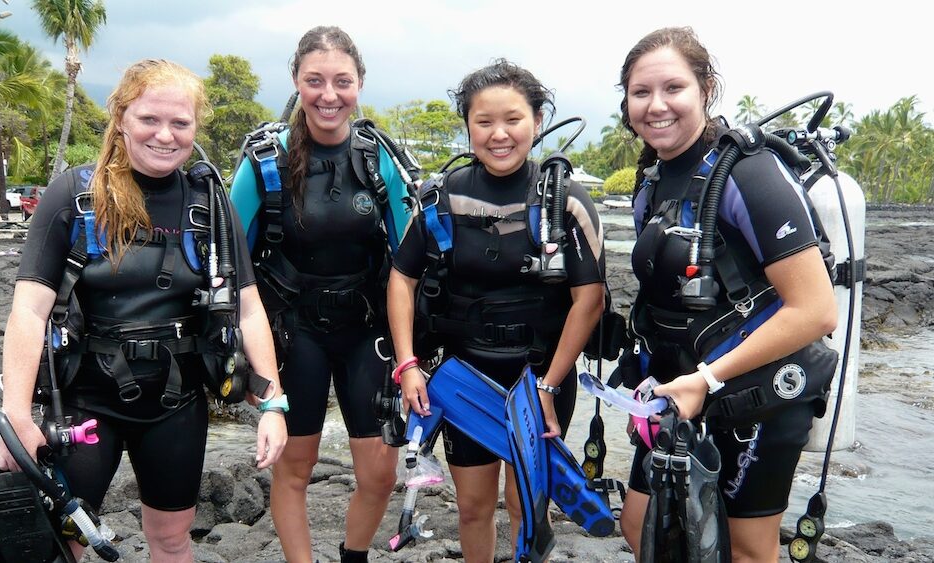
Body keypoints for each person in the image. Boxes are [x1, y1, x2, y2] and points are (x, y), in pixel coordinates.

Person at [0, 59, 287, 561]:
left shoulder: (209, 203)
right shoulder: (75, 195)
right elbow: (29, 310)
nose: (165, 135)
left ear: (195, 127)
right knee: (58, 543)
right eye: (150, 119)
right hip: (84, 403)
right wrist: (18, 415)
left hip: (175, 405)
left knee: (173, 540)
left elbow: (248, 309)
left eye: (180, 123)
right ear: (122, 118)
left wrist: (273, 404)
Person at [615, 27, 838, 562]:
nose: (656, 105)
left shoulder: (748, 174)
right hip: (680, 391)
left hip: (755, 394)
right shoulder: (653, 183)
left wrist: (708, 379)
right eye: (640, 92)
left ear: (706, 89)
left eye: (674, 88)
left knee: (744, 549)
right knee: (641, 524)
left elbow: (816, 309)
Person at [388, 59, 606, 562]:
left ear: (538, 118)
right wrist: (407, 364)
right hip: (465, 374)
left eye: (513, 119)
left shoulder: (565, 202)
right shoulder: (440, 198)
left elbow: (588, 300)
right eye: (484, 122)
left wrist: (550, 385)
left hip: (541, 377)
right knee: (472, 506)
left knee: (529, 503)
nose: (499, 134)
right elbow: (402, 278)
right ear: (467, 125)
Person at [230, 26, 400, 563]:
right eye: (315, 81)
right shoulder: (264, 162)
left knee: (379, 472)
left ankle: (354, 557)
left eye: (342, 81)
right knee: (295, 466)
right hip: (292, 330)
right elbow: (232, 265)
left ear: (360, 85)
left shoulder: (377, 160)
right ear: (297, 83)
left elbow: (411, 258)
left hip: (366, 329)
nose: (330, 94)